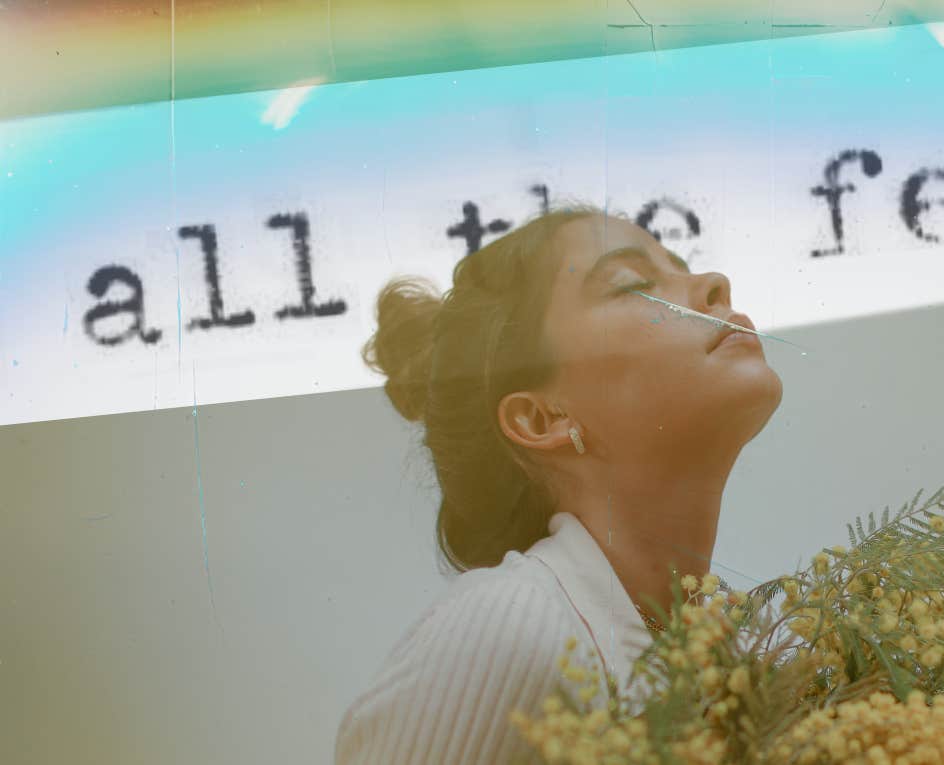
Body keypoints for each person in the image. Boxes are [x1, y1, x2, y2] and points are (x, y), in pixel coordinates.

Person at [333, 203, 784, 764]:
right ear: (543, 419)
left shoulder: (749, 651)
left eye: (682, 265)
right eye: (635, 283)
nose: (715, 283)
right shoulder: (508, 628)